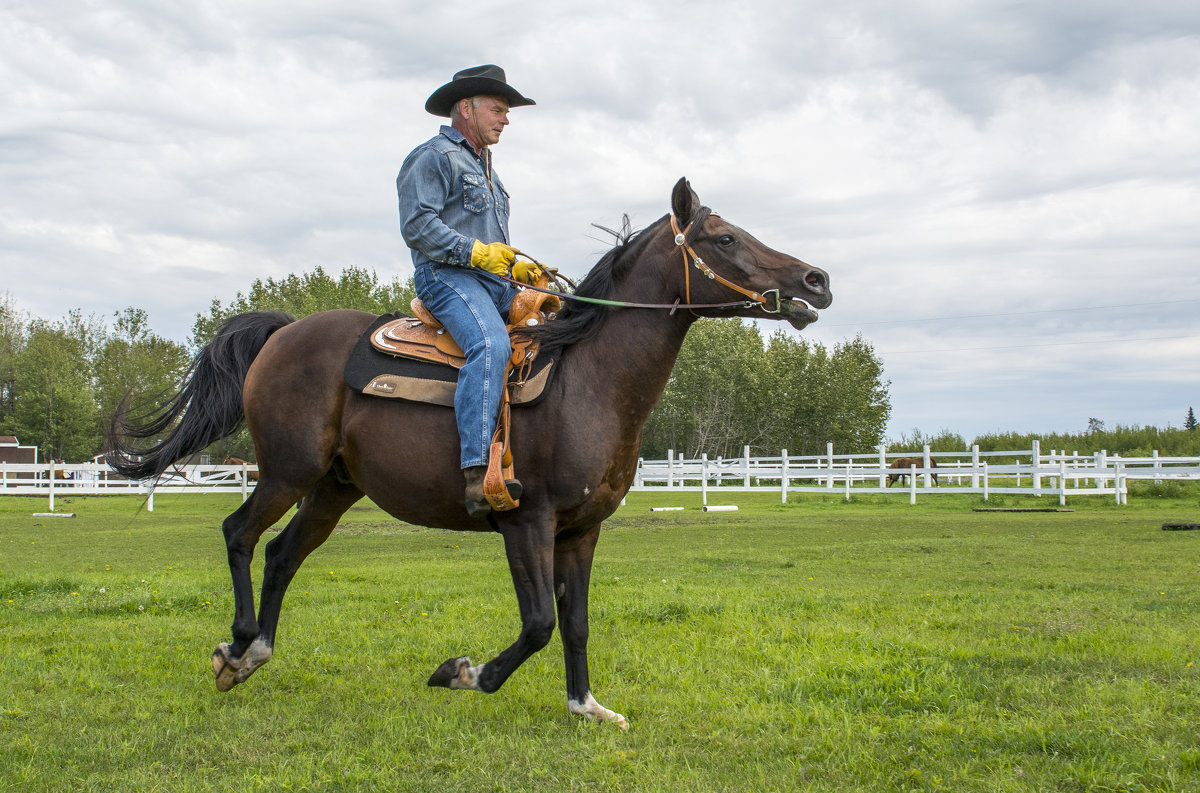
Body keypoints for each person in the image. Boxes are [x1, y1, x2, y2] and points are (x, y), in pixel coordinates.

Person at [396, 64, 541, 518]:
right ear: (467, 107)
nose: (506, 119)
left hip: (495, 283)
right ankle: (478, 470)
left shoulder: (491, 172)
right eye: (498, 109)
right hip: (446, 278)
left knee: (553, 332)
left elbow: (492, 243)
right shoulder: (434, 156)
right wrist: (475, 253)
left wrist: (518, 264)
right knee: (490, 343)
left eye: (507, 111)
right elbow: (417, 226)